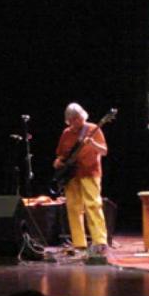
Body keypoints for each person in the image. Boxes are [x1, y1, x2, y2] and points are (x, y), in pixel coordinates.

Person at [53, 103, 109, 255]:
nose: (77, 122)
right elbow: (61, 154)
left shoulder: (93, 129)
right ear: (69, 121)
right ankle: (79, 243)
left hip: (90, 172)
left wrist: (93, 143)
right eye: (73, 120)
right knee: (73, 208)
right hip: (71, 175)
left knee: (93, 205)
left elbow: (104, 151)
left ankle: (100, 242)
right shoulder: (66, 133)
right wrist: (58, 161)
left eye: (79, 118)